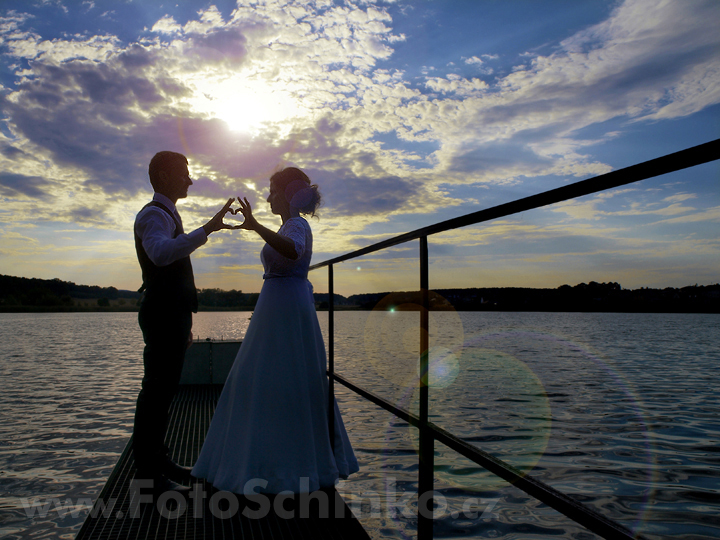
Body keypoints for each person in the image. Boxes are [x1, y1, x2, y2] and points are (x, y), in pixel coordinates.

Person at [191, 167, 359, 494]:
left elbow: (293, 250)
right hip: (278, 303)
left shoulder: (297, 224)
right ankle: (265, 460)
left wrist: (255, 227)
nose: (267, 197)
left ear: (286, 194)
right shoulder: (288, 225)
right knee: (268, 377)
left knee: (281, 377)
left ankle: (284, 466)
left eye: (271, 190)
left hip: (286, 306)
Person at [133, 150, 236, 492]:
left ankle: (159, 461)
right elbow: (161, 254)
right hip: (162, 314)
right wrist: (210, 227)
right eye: (184, 173)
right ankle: (148, 476)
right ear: (164, 176)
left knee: (163, 392)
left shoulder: (167, 213)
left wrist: (185, 322)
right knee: (156, 393)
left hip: (170, 313)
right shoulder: (154, 216)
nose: (190, 179)